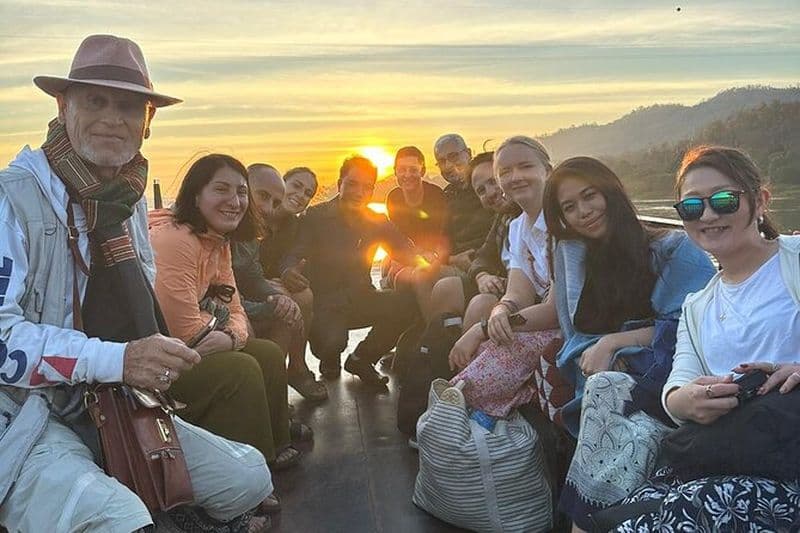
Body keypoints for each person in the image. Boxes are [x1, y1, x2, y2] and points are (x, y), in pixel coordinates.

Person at [0, 35, 271, 532]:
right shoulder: (11, 199)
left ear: (147, 122)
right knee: (117, 518)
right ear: (63, 106)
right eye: (95, 101)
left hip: (113, 401)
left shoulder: (123, 206)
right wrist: (119, 359)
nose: (112, 118)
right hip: (21, 413)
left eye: (128, 106)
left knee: (249, 477)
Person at [610, 146, 800, 532]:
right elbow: (677, 387)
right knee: (621, 517)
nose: (709, 216)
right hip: (735, 452)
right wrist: (690, 400)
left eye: (725, 201)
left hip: (788, 464)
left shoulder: (794, 260)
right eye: (693, 208)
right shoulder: (697, 306)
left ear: (760, 200)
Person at [531, 157, 715, 532]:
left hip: (669, 377)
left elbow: (692, 326)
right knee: (602, 392)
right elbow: (573, 332)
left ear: (610, 191)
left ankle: (587, 523)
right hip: (607, 379)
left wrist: (615, 342)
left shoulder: (673, 250)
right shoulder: (576, 256)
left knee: (604, 393)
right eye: (569, 207)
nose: (583, 212)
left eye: (589, 196)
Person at [150, 154, 307, 474]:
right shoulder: (177, 240)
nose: (235, 201)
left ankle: (276, 443)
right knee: (242, 367)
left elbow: (232, 305)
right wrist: (230, 336)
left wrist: (229, 335)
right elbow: (186, 335)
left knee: (267, 353)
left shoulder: (217, 240)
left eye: (240, 193)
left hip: (194, 343)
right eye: (221, 189)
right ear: (196, 194)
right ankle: (253, 470)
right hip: (157, 364)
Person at [280, 156, 419, 387]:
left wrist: (436, 259)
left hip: (361, 297)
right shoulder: (316, 216)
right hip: (325, 303)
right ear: (339, 184)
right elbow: (296, 251)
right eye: (353, 184)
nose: (359, 192)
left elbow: (405, 250)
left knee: (407, 304)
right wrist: (287, 270)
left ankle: (362, 359)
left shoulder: (377, 221)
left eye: (367, 187)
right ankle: (329, 356)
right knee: (332, 343)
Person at [232, 164, 327, 401]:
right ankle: (266, 392)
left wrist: (286, 274)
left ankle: (295, 368)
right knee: (282, 303)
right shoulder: (242, 223)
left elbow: (295, 253)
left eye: (308, 193)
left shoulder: (294, 226)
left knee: (299, 298)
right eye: (296, 186)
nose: (301, 195)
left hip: (262, 287)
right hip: (237, 296)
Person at [429, 151, 521, 333]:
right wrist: (482, 276)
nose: (490, 193)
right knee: (444, 288)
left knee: (481, 304)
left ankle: (461, 354)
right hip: (498, 282)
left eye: (493, 181)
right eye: (481, 190)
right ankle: (443, 346)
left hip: (523, 294)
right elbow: (483, 256)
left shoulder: (531, 215)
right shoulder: (504, 218)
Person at [382, 146, 448, 291]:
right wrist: (398, 258)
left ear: (422, 171)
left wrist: (414, 257)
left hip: (432, 252)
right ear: (395, 171)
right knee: (386, 265)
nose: (407, 175)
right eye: (402, 170)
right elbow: (397, 236)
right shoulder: (394, 198)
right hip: (408, 250)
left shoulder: (436, 195)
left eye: (413, 169)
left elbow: (439, 234)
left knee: (401, 275)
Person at [434, 133, 494, 277]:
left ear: (468, 153)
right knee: (419, 274)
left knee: (439, 281)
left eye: (454, 156)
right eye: (442, 161)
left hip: (489, 260)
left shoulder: (487, 187)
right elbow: (443, 240)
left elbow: (500, 230)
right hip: (460, 262)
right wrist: (452, 259)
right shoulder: (448, 195)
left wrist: (478, 261)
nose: (448, 165)